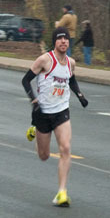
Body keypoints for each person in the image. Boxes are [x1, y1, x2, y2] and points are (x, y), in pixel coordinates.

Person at [21, 27, 89, 207]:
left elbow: (71, 79)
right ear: (55, 42)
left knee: (65, 148)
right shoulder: (44, 60)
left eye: (66, 39)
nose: (64, 42)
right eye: (60, 39)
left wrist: (80, 95)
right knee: (43, 155)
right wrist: (34, 101)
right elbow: (25, 80)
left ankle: (62, 192)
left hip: (61, 111)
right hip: (43, 112)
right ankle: (35, 129)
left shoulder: (71, 63)